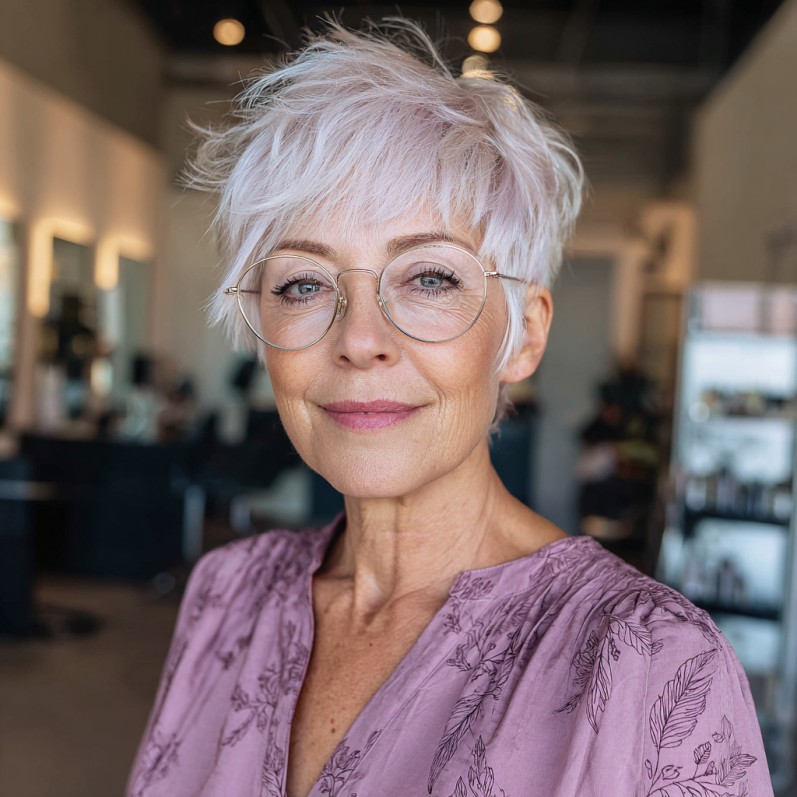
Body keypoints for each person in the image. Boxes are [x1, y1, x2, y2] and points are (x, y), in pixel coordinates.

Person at [128, 21, 772, 797]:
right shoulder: (227, 592)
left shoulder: (648, 661)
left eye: (428, 277)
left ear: (522, 335)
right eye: (302, 283)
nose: (359, 340)